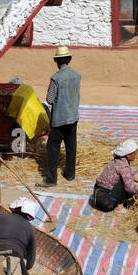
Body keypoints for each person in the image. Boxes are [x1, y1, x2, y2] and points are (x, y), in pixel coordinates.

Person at [43, 46, 80, 186]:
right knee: (71, 147)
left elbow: (50, 99)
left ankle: (51, 179)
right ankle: (70, 174)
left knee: (53, 148)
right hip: (73, 117)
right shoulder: (76, 76)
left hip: (59, 119)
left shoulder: (56, 78)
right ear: (69, 60)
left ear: (57, 61)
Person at [92, 139, 138, 212]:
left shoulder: (120, 159)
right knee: (126, 184)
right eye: (135, 154)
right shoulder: (123, 166)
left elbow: (132, 176)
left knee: (127, 180)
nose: (135, 156)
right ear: (128, 154)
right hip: (105, 201)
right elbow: (131, 189)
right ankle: (119, 207)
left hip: (98, 194)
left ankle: (117, 202)